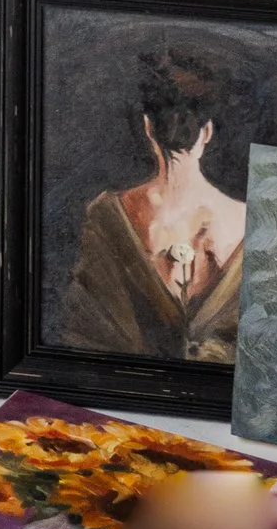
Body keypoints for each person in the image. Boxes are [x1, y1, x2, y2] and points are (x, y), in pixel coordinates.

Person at [57, 45, 252, 364]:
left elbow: (82, 328)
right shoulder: (247, 220)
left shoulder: (107, 215)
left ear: (148, 128)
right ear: (206, 132)